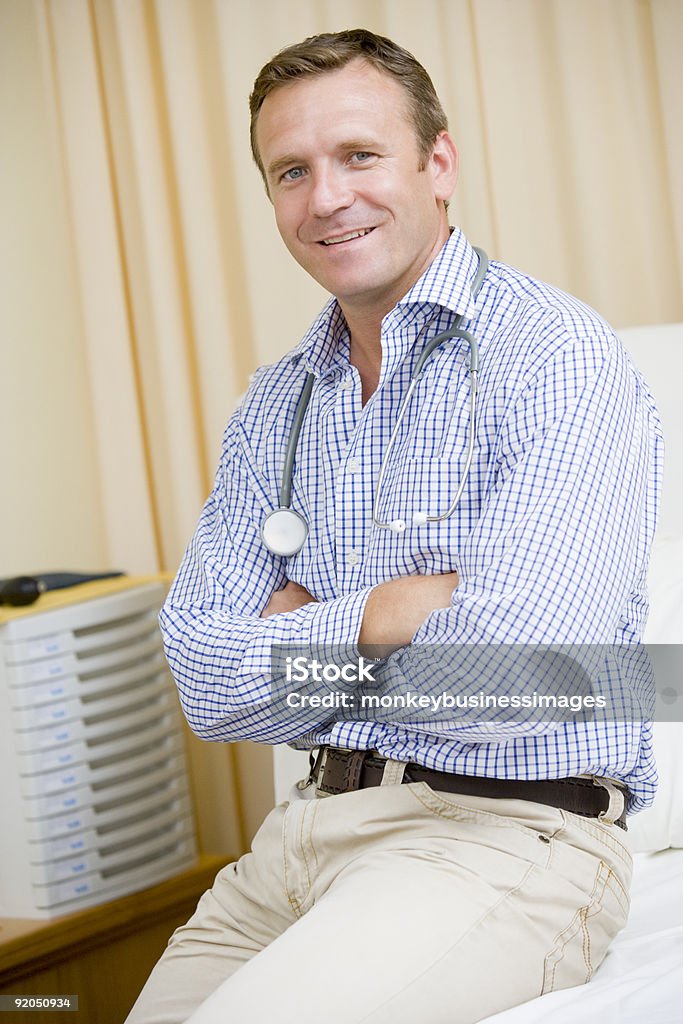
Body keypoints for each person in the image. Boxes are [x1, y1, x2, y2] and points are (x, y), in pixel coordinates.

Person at [126, 28, 662, 1024]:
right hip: (306, 834)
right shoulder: (274, 406)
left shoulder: (552, 355)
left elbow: (528, 678)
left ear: (439, 163)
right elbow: (204, 679)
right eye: (292, 170)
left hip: (502, 834)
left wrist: (295, 631)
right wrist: (381, 613)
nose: (326, 197)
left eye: (359, 155)